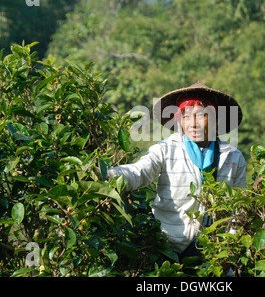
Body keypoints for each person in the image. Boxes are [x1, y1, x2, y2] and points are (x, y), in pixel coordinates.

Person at [105, 82, 246, 270]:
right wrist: (107, 174)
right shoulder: (165, 149)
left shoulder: (233, 157)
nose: (193, 124)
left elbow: (239, 208)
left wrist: (230, 248)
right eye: (186, 117)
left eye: (201, 116)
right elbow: (139, 172)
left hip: (212, 252)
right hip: (166, 248)